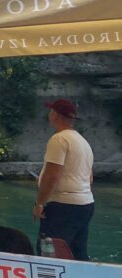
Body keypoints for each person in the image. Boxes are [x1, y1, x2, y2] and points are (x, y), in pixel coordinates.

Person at [33, 99, 94, 260]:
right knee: (77, 253)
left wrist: (40, 203)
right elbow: (90, 178)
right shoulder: (83, 142)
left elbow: (52, 175)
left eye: (51, 111)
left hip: (63, 205)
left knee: (49, 251)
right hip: (85, 204)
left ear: (55, 115)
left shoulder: (59, 139)